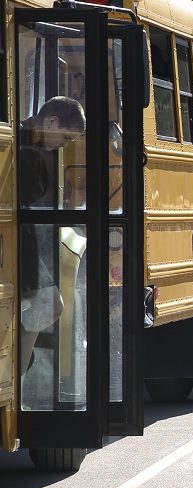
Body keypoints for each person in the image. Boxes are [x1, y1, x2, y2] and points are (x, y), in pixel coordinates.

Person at [19, 96, 87, 382]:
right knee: (50, 305)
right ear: (51, 121)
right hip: (22, 242)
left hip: (30, 242)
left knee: (44, 305)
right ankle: (19, 370)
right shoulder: (23, 145)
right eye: (66, 137)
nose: (65, 145)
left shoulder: (32, 143)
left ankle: (20, 364)